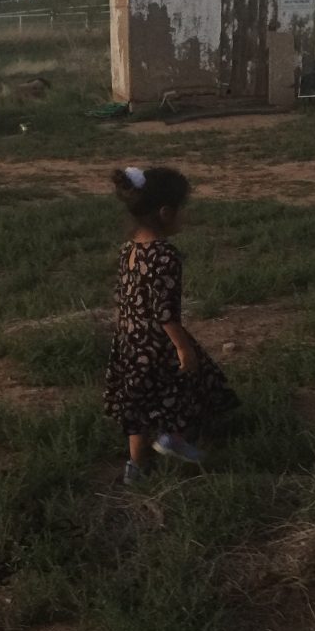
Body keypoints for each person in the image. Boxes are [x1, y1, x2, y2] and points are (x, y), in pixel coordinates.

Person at [103, 166, 239, 485]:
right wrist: (182, 346)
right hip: (157, 341)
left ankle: (136, 468)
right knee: (187, 382)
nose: (185, 217)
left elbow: (124, 296)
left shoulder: (129, 249)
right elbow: (165, 312)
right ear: (165, 213)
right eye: (182, 210)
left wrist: (127, 333)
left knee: (137, 406)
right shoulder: (165, 255)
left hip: (129, 340)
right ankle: (172, 438)